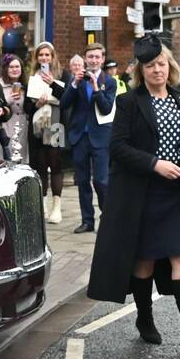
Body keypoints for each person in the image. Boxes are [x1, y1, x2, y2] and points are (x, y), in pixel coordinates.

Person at [87, 35, 180, 353]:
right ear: (140, 71)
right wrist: (155, 164)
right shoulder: (129, 102)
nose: (156, 70)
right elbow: (117, 147)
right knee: (143, 262)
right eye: (149, 66)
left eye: (161, 64)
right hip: (142, 195)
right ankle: (145, 317)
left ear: (169, 67)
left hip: (177, 195)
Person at [59, 43, 115, 233]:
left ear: (102, 59)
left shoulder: (110, 81)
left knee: (101, 181)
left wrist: (97, 88)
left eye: (97, 57)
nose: (93, 60)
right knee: (82, 181)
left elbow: (107, 108)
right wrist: (74, 84)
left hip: (101, 137)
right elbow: (64, 104)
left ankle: (107, 218)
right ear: (85, 58)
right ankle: (87, 221)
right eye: (90, 57)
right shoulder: (77, 80)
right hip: (80, 136)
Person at [25, 41, 65, 223]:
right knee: (39, 165)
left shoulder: (63, 74)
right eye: (41, 55)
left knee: (55, 164)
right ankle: (42, 205)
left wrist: (53, 83)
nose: (44, 58)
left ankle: (57, 207)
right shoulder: (31, 77)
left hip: (55, 125)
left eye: (47, 55)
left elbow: (67, 98)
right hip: (37, 127)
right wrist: (36, 104)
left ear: (53, 57)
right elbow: (27, 107)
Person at [0, 54, 28, 163]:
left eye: (17, 66)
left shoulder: (26, 85)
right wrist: (7, 100)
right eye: (11, 67)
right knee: (8, 159)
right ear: (6, 69)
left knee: (22, 159)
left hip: (23, 126)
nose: (14, 69)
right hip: (7, 126)